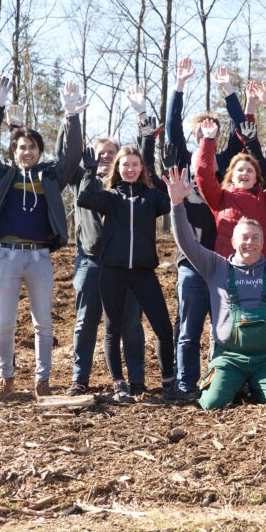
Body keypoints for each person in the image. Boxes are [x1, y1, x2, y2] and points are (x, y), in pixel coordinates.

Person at [167, 165, 266, 409]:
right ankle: (237, 384)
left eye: (255, 238)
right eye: (244, 237)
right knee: (211, 404)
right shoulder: (216, 267)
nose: (249, 243)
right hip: (229, 358)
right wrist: (177, 205)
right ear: (233, 241)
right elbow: (186, 242)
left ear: (263, 241)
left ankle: (255, 385)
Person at [0, 76, 84, 401]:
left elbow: (73, 153)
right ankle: (4, 378)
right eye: (22, 147)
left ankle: (42, 380)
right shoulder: (1, 173)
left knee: (42, 323)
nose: (27, 151)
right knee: (4, 323)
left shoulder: (50, 176)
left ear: (39, 150)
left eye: (33, 146)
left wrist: (71, 115)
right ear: (14, 150)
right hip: (6, 256)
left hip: (39, 258)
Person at [165, 59, 266, 400]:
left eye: (211, 130)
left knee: (224, 328)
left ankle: (218, 381)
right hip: (193, 262)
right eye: (200, 130)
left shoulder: (224, 166)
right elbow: (171, 131)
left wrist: (231, 94)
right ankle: (185, 385)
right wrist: (179, 86)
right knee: (189, 330)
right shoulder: (181, 162)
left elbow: (244, 132)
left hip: (226, 262)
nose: (204, 134)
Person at [76, 144, 180, 402]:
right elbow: (84, 199)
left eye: (135, 164)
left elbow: (170, 202)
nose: (130, 169)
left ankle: (169, 382)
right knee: (113, 330)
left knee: (164, 329)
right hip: (113, 271)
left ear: (141, 167)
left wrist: (164, 169)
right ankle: (119, 384)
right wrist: (89, 171)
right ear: (118, 168)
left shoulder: (151, 197)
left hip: (144, 272)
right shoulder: (110, 196)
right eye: (125, 165)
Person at [64, 91, 149, 399]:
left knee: (130, 322)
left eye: (112, 152)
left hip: (125, 265)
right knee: (86, 321)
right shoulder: (81, 180)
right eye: (102, 152)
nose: (107, 156)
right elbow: (68, 152)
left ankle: (136, 379)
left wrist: (142, 118)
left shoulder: (128, 186)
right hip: (90, 263)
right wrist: (72, 117)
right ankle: (80, 378)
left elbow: (145, 158)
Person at [195, 89, 266, 259]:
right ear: (231, 175)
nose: (245, 173)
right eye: (240, 169)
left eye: (250, 170)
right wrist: (207, 141)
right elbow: (203, 175)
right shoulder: (219, 198)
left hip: (260, 269)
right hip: (227, 269)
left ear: (256, 177)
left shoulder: (265, 200)